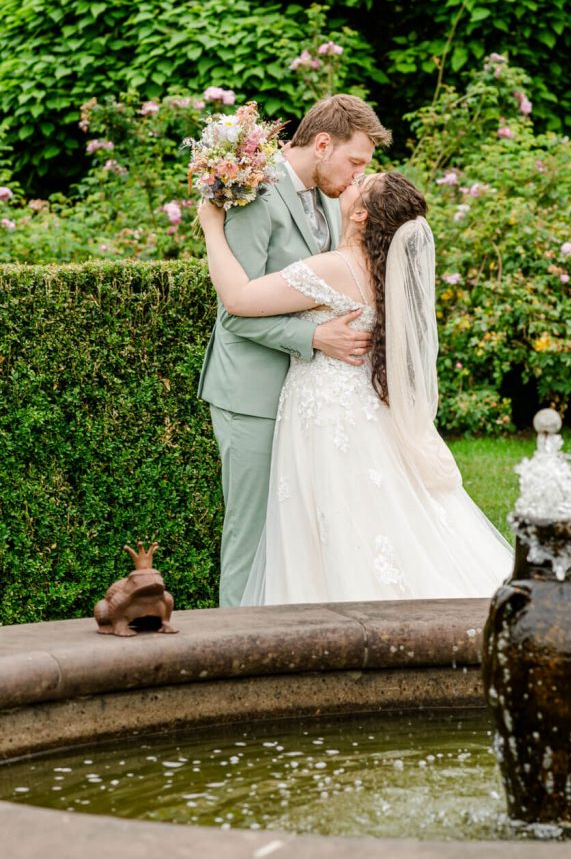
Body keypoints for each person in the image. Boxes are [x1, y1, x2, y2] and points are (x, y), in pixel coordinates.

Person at [198, 171, 512, 605]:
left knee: (329, 522)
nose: (356, 177)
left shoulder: (336, 267)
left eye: (364, 181)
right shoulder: (379, 271)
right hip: (360, 407)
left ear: (361, 213)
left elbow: (238, 299)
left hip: (325, 413)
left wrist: (212, 226)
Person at [198, 94, 392, 606]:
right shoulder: (254, 195)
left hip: (307, 398)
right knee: (252, 531)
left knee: (295, 535)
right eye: (355, 162)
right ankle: (233, 652)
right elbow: (234, 310)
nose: (356, 177)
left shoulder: (332, 198)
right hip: (252, 393)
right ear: (323, 144)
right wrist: (313, 337)